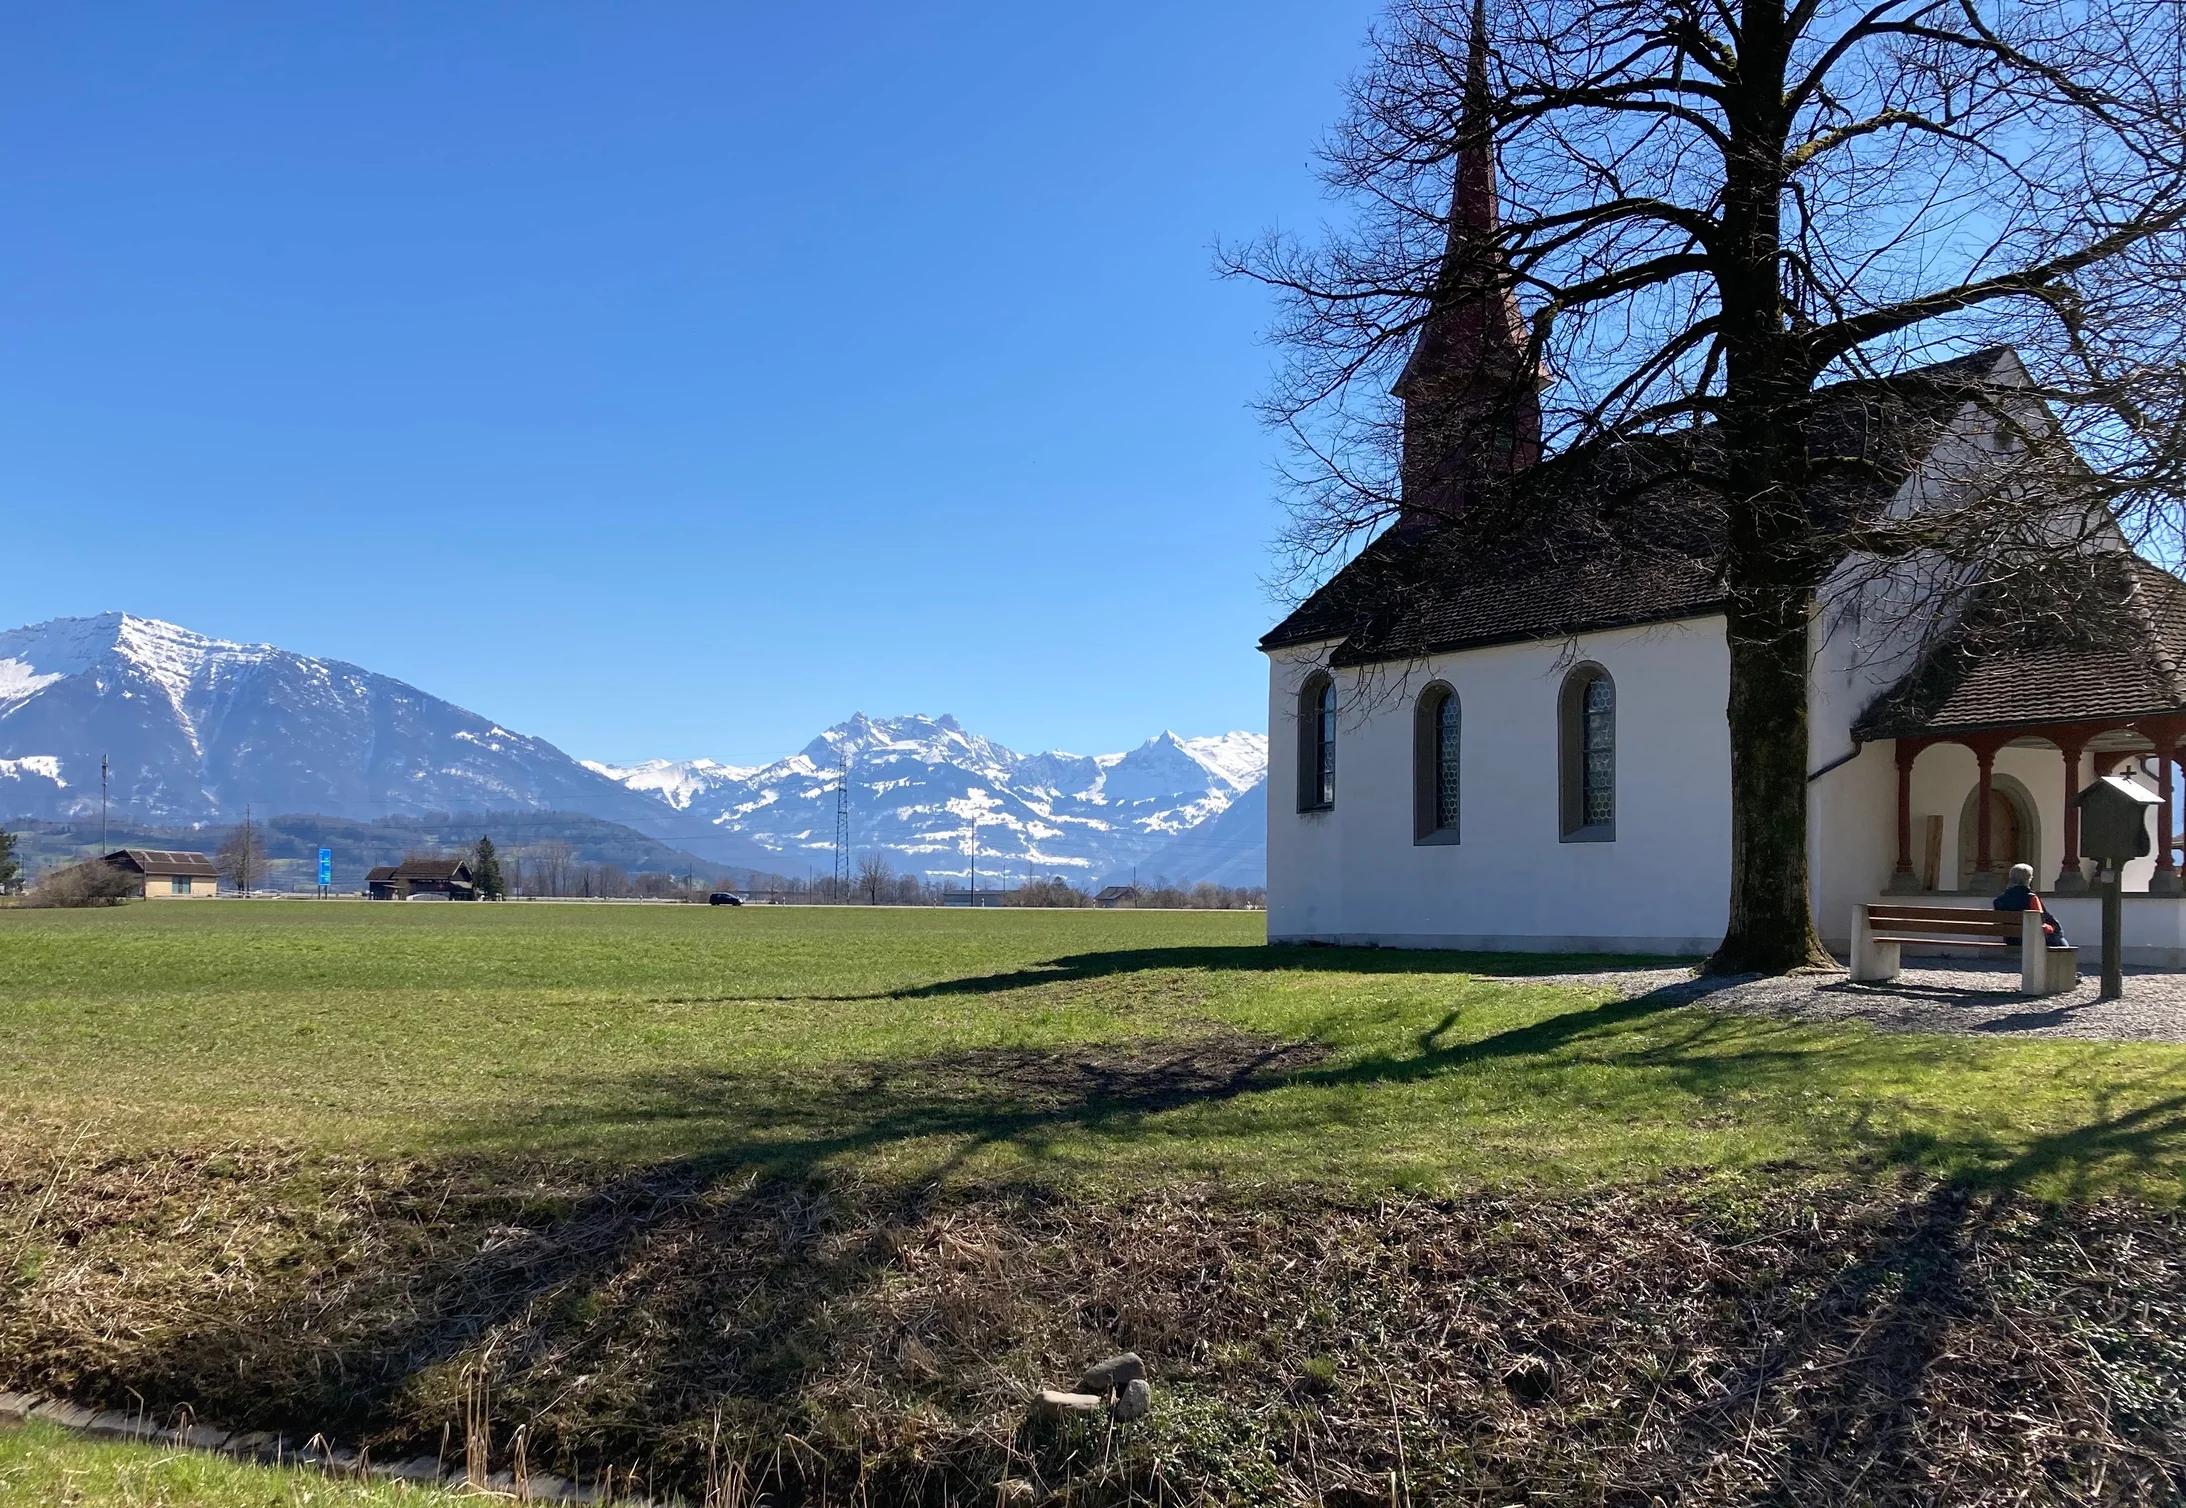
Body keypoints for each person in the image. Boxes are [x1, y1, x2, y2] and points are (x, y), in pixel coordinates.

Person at [1992, 862, 2068, 946]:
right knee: (2061, 939)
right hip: (2031, 938)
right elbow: (2040, 920)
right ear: (2028, 880)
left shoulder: (1999, 900)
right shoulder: (2031, 898)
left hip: (2011, 940)